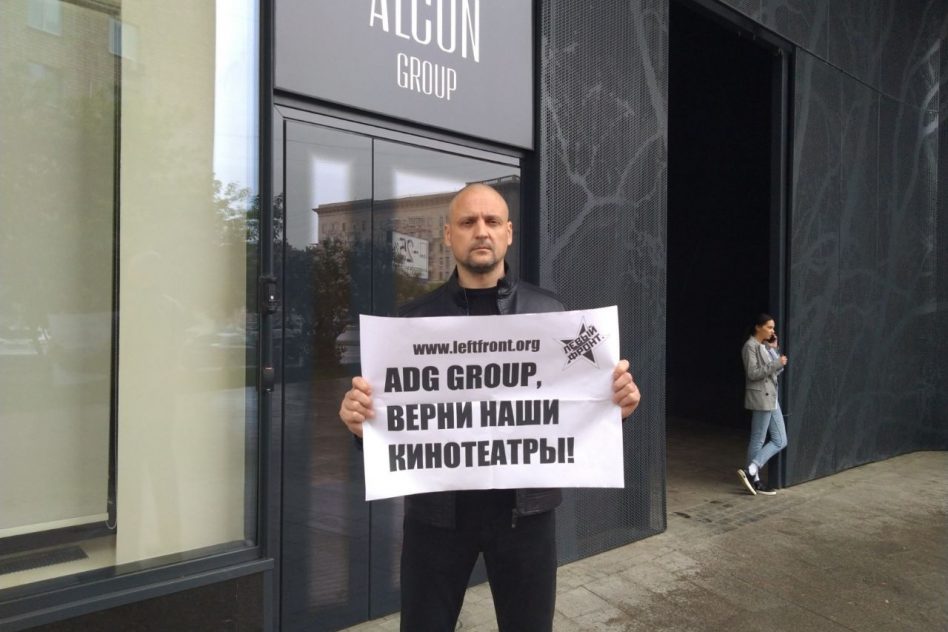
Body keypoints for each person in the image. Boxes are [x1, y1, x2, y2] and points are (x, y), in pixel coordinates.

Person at [338, 182, 641, 631]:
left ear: (508, 233)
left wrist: (614, 408)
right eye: (467, 222)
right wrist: (361, 425)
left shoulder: (551, 313)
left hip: (526, 517)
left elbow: (572, 407)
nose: (481, 231)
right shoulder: (411, 323)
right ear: (448, 235)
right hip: (436, 518)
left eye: (492, 221)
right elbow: (393, 423)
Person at [737, 313, 788, 496]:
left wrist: (773, 350)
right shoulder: (750, 346)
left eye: (773, 327)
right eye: (769, 327)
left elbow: (777, 371)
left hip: (771, 397)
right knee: (758, 438)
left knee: (781, 440)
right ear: (758, 327)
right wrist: (776, 363)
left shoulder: (765, 346)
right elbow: (753, 373)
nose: (772, 331)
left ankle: (752, 469)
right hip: (761, 397)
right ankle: (754, 479)